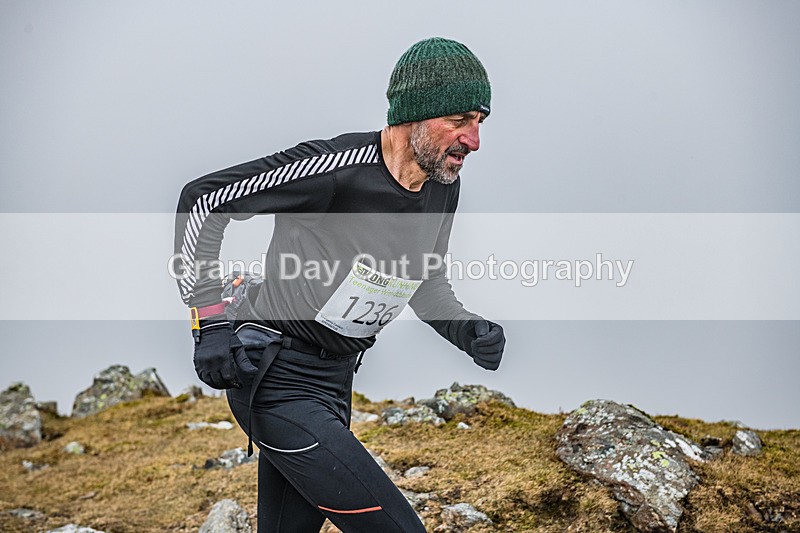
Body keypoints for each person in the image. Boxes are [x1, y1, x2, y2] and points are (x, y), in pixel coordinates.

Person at [173, 37, 506, 533]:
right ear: (413, 115)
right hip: (275, 379)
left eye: (480, 124)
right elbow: (203, 201)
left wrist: (465, 328)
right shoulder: (333, 171)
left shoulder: (442, 187)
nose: (473, 141)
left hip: (334, 384)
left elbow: (425, 281)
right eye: (458, 122)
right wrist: (209, 322)